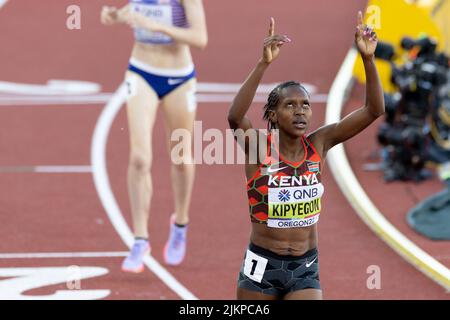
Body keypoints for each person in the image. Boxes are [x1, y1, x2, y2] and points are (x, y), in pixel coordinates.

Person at [227, 13, 384, 300]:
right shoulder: (259, 149)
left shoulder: (319, 144)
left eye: (306, 105)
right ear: (273, 115)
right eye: (290, 105)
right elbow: (236, 118)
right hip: (261, 265)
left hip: (305, 266)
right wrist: (263, 64)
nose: (300, 111)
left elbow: (373, 110)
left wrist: (368, 60)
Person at [100, 0, 208, 272]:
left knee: (181, 158)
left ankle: (180, 223)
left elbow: (200, 38)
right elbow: (135, 11)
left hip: (179, 78)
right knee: (139, 158)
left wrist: (158, 27)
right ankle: (139, 239)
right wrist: (115, 15)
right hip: (141, 72)